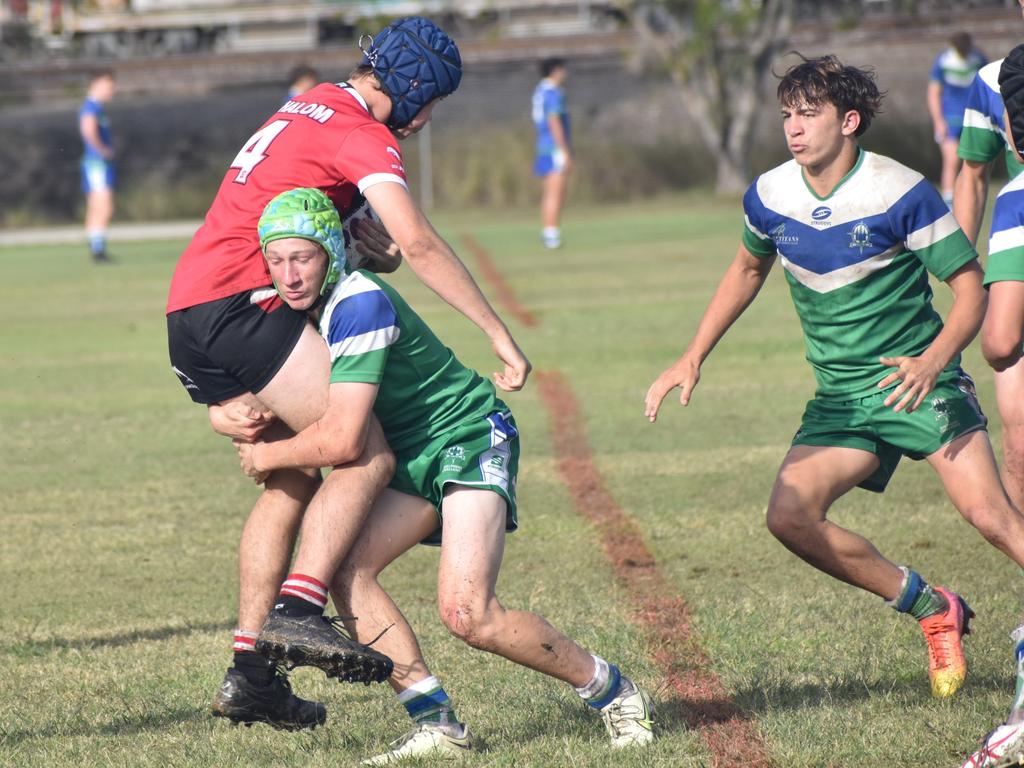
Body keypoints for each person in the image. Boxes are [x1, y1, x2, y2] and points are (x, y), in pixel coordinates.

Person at [165, 16, 531, 732]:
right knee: (359, 452)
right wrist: (498, 333)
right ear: (417, 93)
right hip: (245, 302)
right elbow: (418, 240)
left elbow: (357, 241)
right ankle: (301, 611)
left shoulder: (315, 102)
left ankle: (251, 676)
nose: (428, 118)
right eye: (434, 103)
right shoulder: (366, 133)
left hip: (193, 307)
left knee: (294, 478)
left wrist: (368, 246)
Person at [217, 186, 653, 763]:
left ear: (329, 252)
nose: (289, 275)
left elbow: (345, 438)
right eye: (276, 261)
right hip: (407, 455)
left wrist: (267, 456)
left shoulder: (359, 301)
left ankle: (613, 691)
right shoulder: (306, 309)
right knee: (346, 571)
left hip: (466, 436)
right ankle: (437, 725)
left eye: (303, 258)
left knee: (469, 614)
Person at [645, 54, 1024, 703]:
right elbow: (745, 271)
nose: (794, 127)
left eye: (809, 113)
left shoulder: (900, 192)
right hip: (843, 399)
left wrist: (933, 362)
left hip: (919, 384)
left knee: (992, 517)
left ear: (849, 121)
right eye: (787, 114)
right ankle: (933, 607)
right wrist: (692, 354)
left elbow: (969, 291)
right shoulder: (770, 196)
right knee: (789, 517)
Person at [957, 42, 1024, 768]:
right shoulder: (988, 80)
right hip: (1012, 248)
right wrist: (959, 270)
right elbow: (972, 173)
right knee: (1017, 438)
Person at [954, 0, 1024, 516]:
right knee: (999, 344)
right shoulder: (993, 78)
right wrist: (956, 258)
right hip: (1017, 217)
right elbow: (973, 174)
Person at [928, 32, 987, 206]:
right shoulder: (944, 61)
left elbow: (986, 88)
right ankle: (948, 203)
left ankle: (970, 200)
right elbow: (934, 92)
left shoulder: (978, 59)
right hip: (950, 118)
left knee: (975, 162)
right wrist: (938, 121)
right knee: (951, 159)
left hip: (974, 116)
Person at [532, 57, 571, 249]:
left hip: (543, 146)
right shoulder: (553, 92)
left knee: (549, 193)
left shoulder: (541, 90)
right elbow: (554, 121)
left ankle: (548, 232)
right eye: (563, 70)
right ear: (555, 71)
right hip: (553, 147)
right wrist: (563, 149)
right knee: (556, 192)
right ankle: (551, 234)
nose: (565, 74)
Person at [79, 69, 116, 264]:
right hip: (97, 165)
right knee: (104, 206)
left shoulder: (96, 107)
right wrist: (102, 150)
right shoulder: (91, 107)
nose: (111, 90)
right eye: (108, 85)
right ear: (96, 84)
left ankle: (96, 248)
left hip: (97, 164)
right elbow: (88, 129)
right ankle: (98, 250)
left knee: (96, 207)